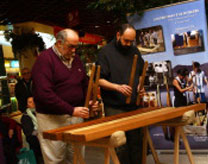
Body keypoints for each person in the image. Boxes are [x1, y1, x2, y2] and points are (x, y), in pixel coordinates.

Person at [32, 29, 98, 164]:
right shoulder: (44, 59)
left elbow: (85, 84)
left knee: (77, 156)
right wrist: (71, 110)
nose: (74, 50)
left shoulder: (77, 60)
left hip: (76, 116)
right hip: (52, 119)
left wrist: (90, 100)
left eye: (76, 47)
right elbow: (44, 94)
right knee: (56, 159)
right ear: (59, 43)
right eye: (71, 46)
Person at [97, 24, 145, 164]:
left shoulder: (134, 50)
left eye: (131, 41)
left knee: (137, 143)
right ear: (118, 35)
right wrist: (117, 87)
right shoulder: (105, 52)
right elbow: (98, 80)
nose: (128, 44)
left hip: (134, 106)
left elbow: (141, 73)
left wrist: (140, 86)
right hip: (114, 107)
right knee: (120, 146)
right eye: (126, 40)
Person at [21, 97, 43, 164]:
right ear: (27, 105)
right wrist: (39, 134)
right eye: (30, 102)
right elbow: (29, 131)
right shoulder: (25, 116)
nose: (33, 103)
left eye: (33, 101)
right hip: (33, 138)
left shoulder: (40, 112)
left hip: (43, 136)